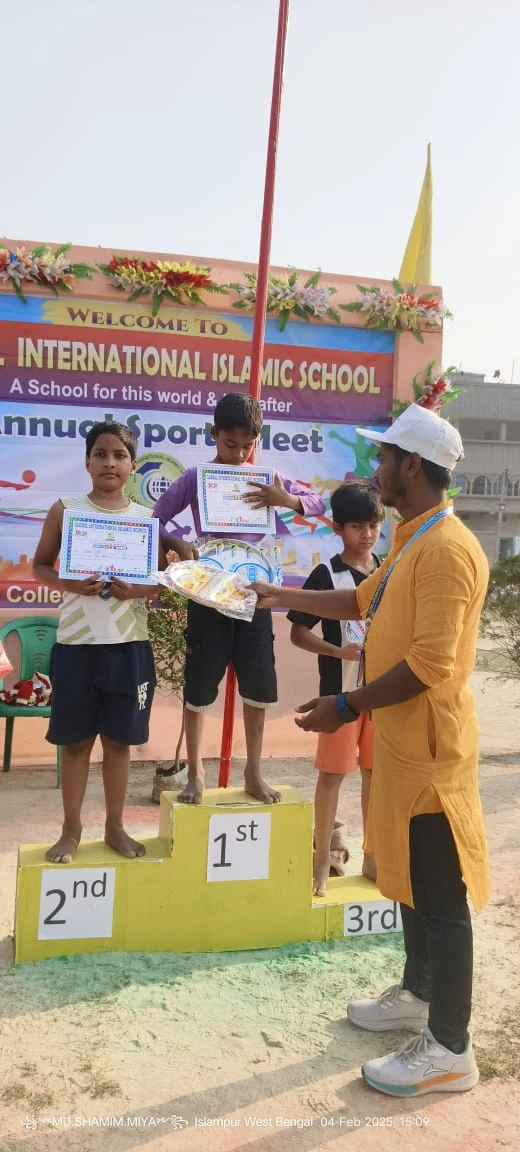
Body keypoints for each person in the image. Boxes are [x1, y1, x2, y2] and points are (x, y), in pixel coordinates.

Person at [252, 404, 490, 1097]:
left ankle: (450, 1048)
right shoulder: (414, 538)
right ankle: (418, 994)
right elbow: (361, 603)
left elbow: (431, 664)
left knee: (439, 895)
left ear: (411, 466)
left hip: (431, 753)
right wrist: (275, 595)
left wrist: (346, 706)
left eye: (382, 456)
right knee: (411, 881)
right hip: (403, 744)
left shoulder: (446, 549)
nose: (374, 467)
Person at [153, 392, 325, 805]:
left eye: (248, 445)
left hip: (254, 595)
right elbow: (155, 518)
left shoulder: (267, 478)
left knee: (258, 684)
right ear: (213, 434)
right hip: (208, 595)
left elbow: (318, 503)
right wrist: (177, 542)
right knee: (199, 685)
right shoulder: (195, 477)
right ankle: (196, 774)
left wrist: (286, 500)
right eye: (230, 444)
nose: (238, 453)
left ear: (257, 441)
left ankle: (253, 772)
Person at [33, 421, 173, 864]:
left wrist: (140, 590)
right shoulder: (65, 510)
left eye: (119, 455)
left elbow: (162, 582)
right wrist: (69, 582)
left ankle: (115, 827)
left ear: (133, 465)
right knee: (75, 743)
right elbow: (40, 566)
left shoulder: (145, 519)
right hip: (76, 646)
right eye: (100, 454)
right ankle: (71, 830)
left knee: (118, 742)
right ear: (87, 461)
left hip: (129, 645)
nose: (109, 463)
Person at [287, 482, 384, 893]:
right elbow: (297, 632)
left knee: (374, 776)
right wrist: (338, 652)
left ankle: (372, 859)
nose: (367, 534)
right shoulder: (326, 574)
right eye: (357, 526)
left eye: (373, 525)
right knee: (332, 776)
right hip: (339, 697)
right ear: (339, 528)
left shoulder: (387, 570)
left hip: (382, 695)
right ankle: (322, 861)